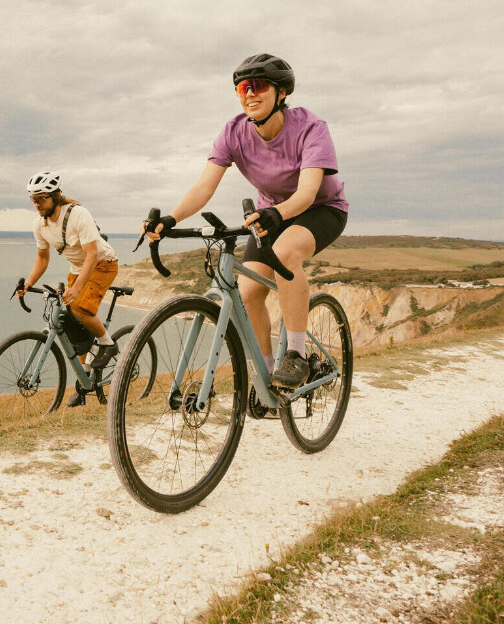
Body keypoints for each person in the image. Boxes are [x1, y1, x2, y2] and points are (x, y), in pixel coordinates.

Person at [143, 53, 348, 390]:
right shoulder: (233, 132)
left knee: (285, 252)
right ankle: (266, 377)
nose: (249, 93)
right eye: (242, 88)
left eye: (259, 85)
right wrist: (171, 217)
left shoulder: (312, 128)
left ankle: (295, 356)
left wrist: (278, 213)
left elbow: (308, 192)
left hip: (320, 209)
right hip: (270, 214)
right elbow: (205, 185)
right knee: (249, 291)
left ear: (281, 93)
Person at [19, 171, 120, 407]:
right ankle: (85, 380)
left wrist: (77, 289)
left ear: (55, 196)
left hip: (102, 264)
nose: (37, 204)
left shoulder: (77, 215)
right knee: (73, 325)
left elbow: (93, 255)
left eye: (41, 198)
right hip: (78, 267)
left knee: (81, 309)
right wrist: (29, 283)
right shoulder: (40, 225)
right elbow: (42, 259)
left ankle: (107, 344)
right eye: (33, 200)